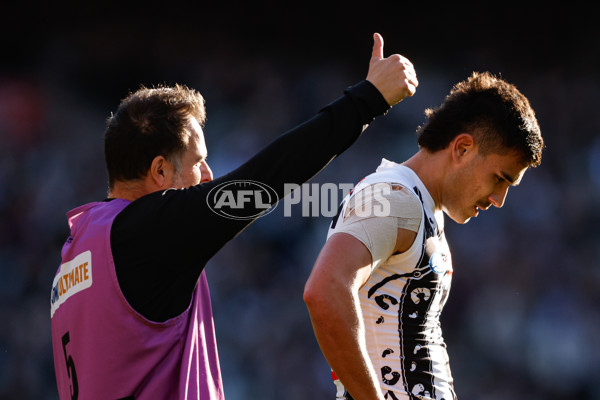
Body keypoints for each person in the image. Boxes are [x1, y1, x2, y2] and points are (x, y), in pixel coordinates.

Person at [49, 33, 418, 400]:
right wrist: (367, 100)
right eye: (197, 162)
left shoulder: (77, 252)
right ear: (159, 171)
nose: (208, 174)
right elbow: (263, 179)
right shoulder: (147, 232)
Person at [303, 71, 544, 400]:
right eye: (499, 179)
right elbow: (324, 291)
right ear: (462, 148)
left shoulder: (419, 205)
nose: (498, 200)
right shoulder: (394, 198)